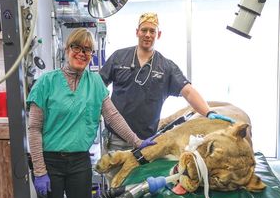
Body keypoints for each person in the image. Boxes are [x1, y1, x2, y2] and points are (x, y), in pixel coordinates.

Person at [27, 28, 154, 198]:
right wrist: (39, 170)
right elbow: (34, 128)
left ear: (91, 55)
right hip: (50, 162)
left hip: (80, 163)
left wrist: (137, 142)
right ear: (67, 49)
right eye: (76, 47)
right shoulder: (46, 82)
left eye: (87, 50)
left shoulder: (94, 82)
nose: (81, 53)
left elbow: (113, 116)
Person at [99, 12, 234, 152]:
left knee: (140, 174)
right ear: (137, 32)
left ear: (159, 35)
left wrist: (208, 112)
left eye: (152, 31)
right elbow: (97, 87)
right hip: (116, 138)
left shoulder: (166, 67)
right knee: (114, 174)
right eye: (144, 30)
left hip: (146, 141)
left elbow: (188, 91)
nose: (147, 34)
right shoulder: (118, 57)